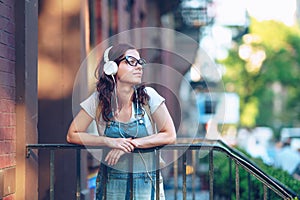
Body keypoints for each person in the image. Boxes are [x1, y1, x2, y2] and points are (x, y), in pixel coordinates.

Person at [67, 43, 176, 200]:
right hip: (111, 185)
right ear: (112, 67)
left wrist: (129, 145)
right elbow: (72, 135)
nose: (138, 67)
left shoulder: (149, 97)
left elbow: (169, 135)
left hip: (147, 185)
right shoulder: (98, 100)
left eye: (140, 62)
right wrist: (110, 142)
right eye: (131, 61)